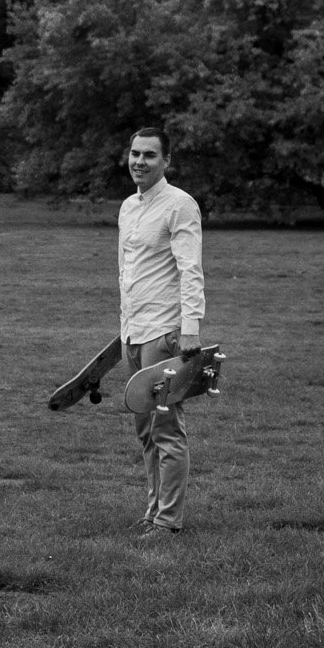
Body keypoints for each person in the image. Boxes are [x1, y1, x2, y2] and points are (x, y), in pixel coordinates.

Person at [118, 127, 205, 538]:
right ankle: (153, 512)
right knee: (144, 428)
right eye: (135, 153)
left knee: (166, 429)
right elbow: (129, 275)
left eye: (149, 155)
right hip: (132, 333)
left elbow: (190, 270)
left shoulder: (179, 205)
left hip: (165, 333)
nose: (139, 161)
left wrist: (190, 330)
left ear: (165, 161)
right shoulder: (127, 207)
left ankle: (168, 522)